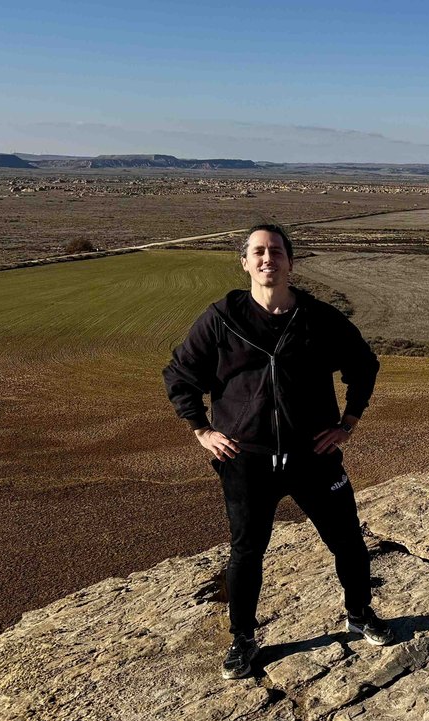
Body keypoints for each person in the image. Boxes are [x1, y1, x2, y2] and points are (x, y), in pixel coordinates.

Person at [164, 223, 393, 680]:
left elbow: (364, 365)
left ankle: (360, 612)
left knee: (347, 538)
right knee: (247, 552)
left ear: (290, 261)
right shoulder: (221, 318)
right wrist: (201, 430)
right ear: (245, 262)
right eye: (259, 252)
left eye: (276, 251)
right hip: (245, 459)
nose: (268, 259)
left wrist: (349, 422)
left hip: (313, 454)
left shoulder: (319, 318)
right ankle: (243, 638)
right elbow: (180, 373)